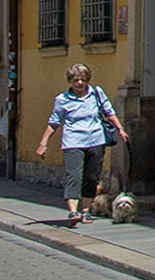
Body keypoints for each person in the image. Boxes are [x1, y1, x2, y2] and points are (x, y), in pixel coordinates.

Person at [35, 63, 125, 226]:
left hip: (96, 140)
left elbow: (109, 112)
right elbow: (54, 122)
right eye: (76, 80)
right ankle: (73, 211)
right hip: (73, 141)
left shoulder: (96, 93)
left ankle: (85, 211)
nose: (80, 83)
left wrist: (120, 129)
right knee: (73, 176)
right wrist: (43, 143)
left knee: (91, 177)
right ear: (70, 81)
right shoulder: (62, 100)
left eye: (83, 80)